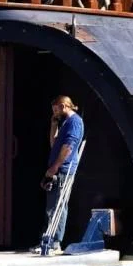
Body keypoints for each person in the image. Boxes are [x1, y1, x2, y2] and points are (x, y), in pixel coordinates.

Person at [36, 95, 84, 253]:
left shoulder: (74, 122)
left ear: (64, 106)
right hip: (58, 168)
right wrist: (53, 124)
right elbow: (53, 144)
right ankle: (47, 240)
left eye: (56, 110)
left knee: (59, 206)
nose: (55, 113)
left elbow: (69, 146)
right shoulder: (64, 123)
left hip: (64, 169)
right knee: (51, 206)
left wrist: (55, 167)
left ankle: (55, 242)